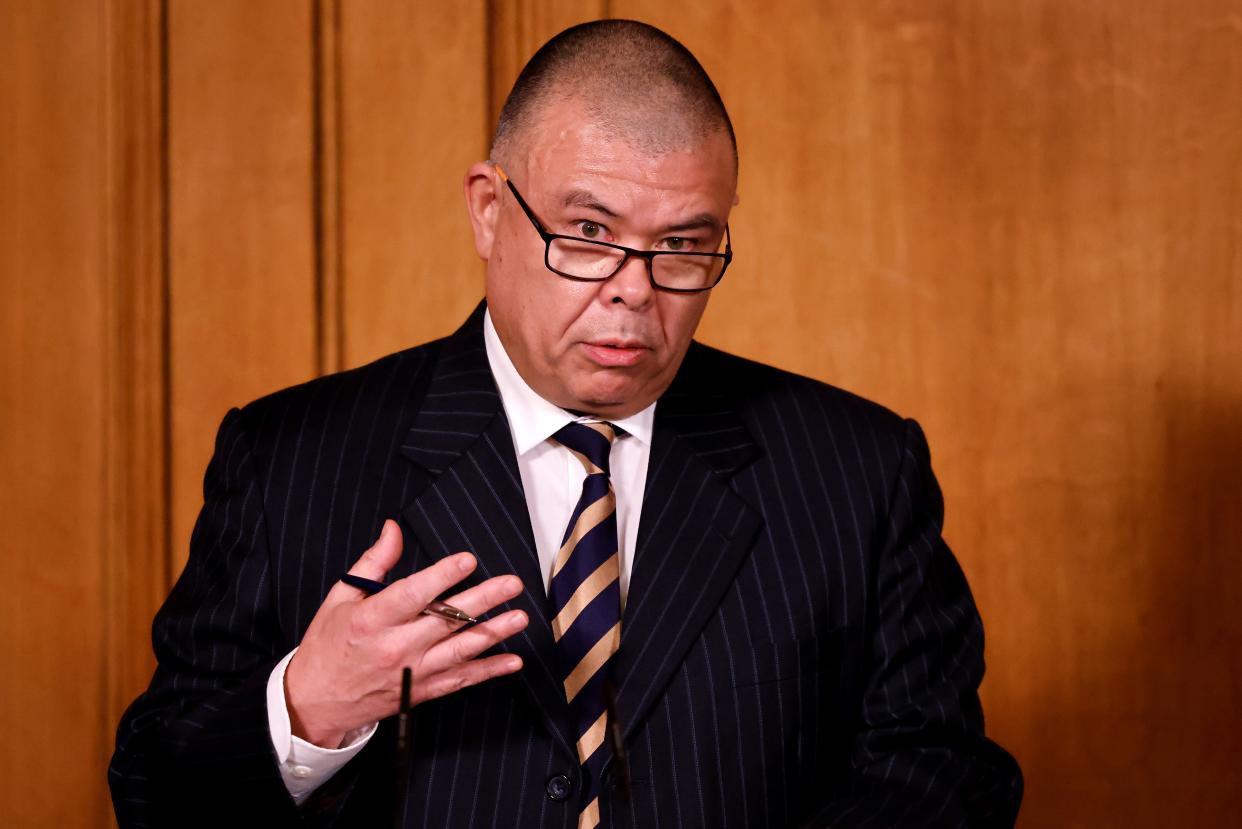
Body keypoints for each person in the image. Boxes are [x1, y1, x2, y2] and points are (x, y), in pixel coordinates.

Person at [110, 19, 1022, 829]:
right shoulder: (289, 463)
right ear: (488, 210)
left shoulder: (858, 472)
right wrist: (307, 708)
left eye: (682, 246)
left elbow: (943, 774)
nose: (633, 289)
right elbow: (153, 791)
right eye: (588, 232)